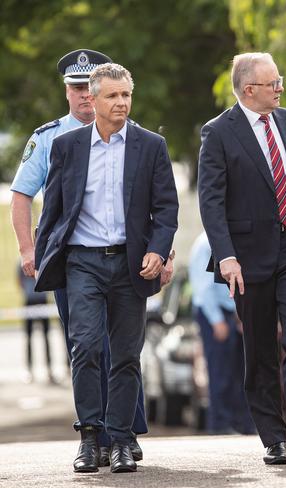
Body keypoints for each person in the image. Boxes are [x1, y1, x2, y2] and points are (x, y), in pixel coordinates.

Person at [9, 49, 161, 465]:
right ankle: (93, 436)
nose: (83, 98)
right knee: (87, 347)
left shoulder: (140, 139)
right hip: (76, 260)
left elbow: (157, 207)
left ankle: (124, 435)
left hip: (126, 259)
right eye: (76, 89)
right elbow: (25, 196)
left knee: (125, 348)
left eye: (86, 89)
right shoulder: (51, 138)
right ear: (71, 92)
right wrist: (30, 251)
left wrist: (158, 253)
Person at [198, 52, 286, 465]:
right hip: (247, 256)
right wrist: (226, 256)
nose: (281, 88)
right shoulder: (218, 133)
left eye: (280, 80)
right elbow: (211, 200)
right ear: (248, 90)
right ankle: (272, 437)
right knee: (259, 349)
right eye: (273, 82)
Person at [188, 232, 255, 435]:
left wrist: (238, 315)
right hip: (213, 313)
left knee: (238, 372)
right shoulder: (205, 244)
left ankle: (239, 423)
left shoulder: (225, 240)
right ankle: (219, 425)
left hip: (229, 313)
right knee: (220, 372)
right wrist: (217, 320)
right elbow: (204, 288)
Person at [17, 262, 54, 384]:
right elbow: (19, 280)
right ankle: (29, 370)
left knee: (46, 337)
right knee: (28, 337)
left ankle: (49, 369)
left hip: (42, 300)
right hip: (29, 300)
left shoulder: (42, 258)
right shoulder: (22, 261)